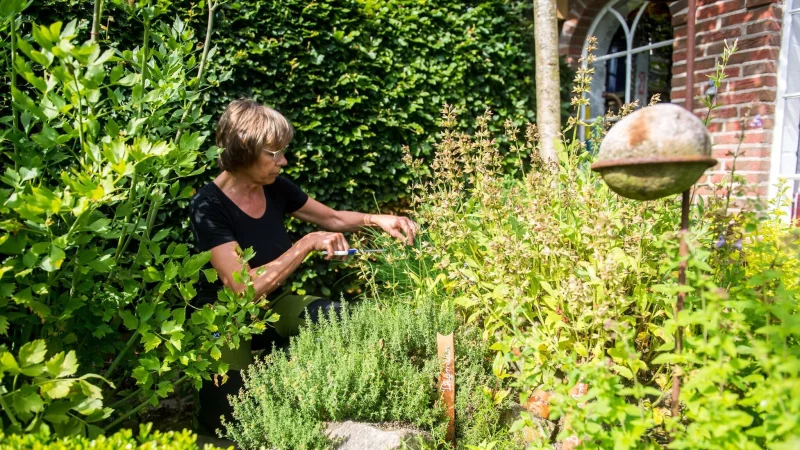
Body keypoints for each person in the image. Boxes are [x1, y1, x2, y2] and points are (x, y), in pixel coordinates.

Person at [188, 98, 417, 432]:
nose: (283, 160)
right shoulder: (207, 206)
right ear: (244, 149)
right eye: (274, 152)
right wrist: (307, 243)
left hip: (275, 305)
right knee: (224, 423)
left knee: (348, 320)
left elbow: (333, 218)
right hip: (224, 318)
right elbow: (241, 289)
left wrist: (377, 219)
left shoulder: (275, 187)